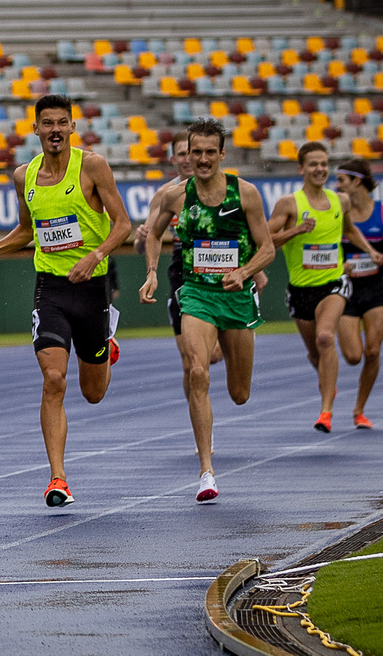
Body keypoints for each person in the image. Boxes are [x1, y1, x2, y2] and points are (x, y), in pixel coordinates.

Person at [0, 94, 131, 509]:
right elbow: (26, 230)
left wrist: (95, 255)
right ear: (36, 129)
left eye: (62, 122)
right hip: (51, 290)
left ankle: (105, 345)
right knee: (53, 379)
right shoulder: (25, 176)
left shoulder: (92, 166)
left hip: (91, 288)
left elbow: (124, 225)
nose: (55, 130)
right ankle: (57, 478)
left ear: (72, 127)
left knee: (93, 394)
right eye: (47, 123)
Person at [138, 118, 275, 503]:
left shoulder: (245, 194)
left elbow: (267, 248)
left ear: (221, 154)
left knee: (239, 393)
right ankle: (206, 470)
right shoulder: (176, 196)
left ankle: (210, 456)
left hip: (236, 297)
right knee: (197, 370)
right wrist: (151, 272)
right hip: (196, 292)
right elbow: (152, 233)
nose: (201, 159)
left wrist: (245, 272)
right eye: (195, 151)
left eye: (209, 152)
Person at [268, 142, 383, 433]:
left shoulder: (340, 201)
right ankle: (326, 382)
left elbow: (348, 230)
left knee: (324, 337)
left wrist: (369, 251)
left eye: (324, 164)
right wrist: (296, 230)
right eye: (313, 164)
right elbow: (265, 240)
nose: (319, 169)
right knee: (316, 354)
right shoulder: (288, 204)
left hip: (333, 284)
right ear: (301, 169)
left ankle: (326, 412)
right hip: (300, 290)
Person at [134, 132, 229, 400]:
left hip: (222, 269)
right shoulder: (166, 194)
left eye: (192, 152)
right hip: (183, 271)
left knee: (217, 360)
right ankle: (198, 423)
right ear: (173, 158)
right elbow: (146, 241)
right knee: (192, 363)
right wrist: (142, 241)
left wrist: (254, 271)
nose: (188, 159)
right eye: (181, 154)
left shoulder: (227, 189)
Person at [335, 159, 383, 430]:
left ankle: (359, 410)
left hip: (375, 290)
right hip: (347, 291)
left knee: (372, 351)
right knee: (353, 356)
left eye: (341, 181)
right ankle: (326, 373)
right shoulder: (337, 212)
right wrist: (338, 265)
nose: (337, 186)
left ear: (357, 181)